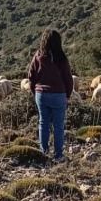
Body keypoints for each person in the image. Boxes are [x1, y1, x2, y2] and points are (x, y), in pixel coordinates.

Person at [27, 29, 74, 161]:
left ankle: (44, 152)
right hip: (59, 95)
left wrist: (35, 91)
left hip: (41, 94)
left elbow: (31, 75)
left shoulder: (38, 56)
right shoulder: (62, 58)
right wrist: (67, 95)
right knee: (58, 126)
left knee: (43, 123)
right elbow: (68, 79)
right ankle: (58, 155)